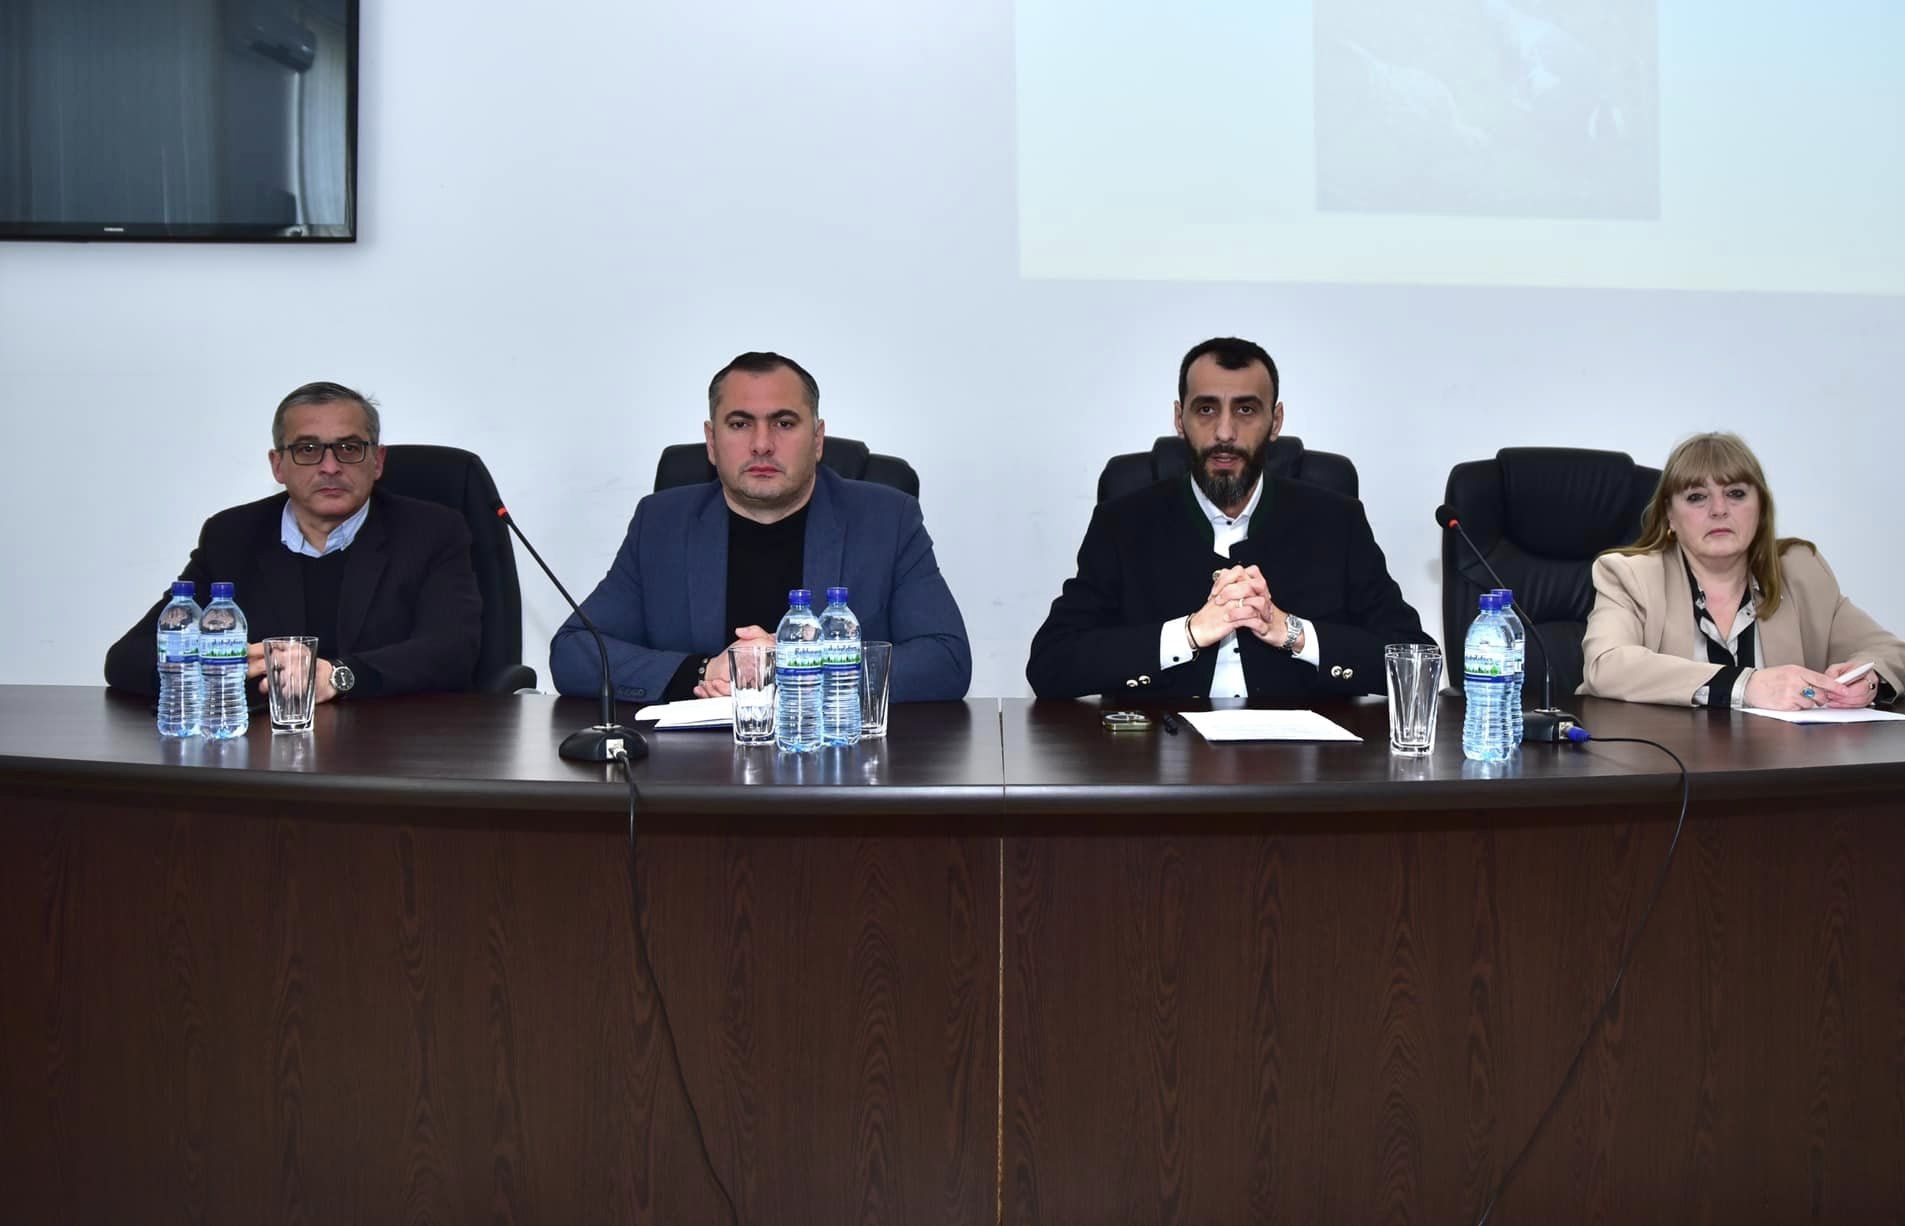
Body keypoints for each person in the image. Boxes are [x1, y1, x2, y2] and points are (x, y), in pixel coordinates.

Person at [549, 351, 971, 703]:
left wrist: (796, 665)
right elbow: (573, 653)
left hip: (838, 762)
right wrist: (706, 669)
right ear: (711, 442)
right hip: (692, 766)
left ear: (818, 439)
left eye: (784, 423)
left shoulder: (886, 520)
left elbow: (946, 661)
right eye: (740, 424)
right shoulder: (662, 524)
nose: (762, 444)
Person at [1027, 337, 1431, 699]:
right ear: (1179, 419)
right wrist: (1187, 634)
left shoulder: (1336, 522)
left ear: (1275, 421)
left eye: (1246, 410)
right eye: (1205, 409)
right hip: (1164, 752)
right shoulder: (1123, 523)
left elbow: (1418, 662)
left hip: (1303, 757)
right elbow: (1050, 665)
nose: (1224, 432)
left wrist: (1291, 632)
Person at [105, 382, 482, 703]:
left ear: (377, 461)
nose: (330, 467)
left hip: (392, 745)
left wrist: (338, 676)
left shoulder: (431, 532)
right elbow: (128, 657)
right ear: (278, 465)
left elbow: (451, 652)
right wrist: (217, 670)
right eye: (308, 450)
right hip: (264, 748)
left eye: (349, 448)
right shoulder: (232, 536)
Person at [1580, 431, 1905, 710]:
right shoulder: (1632, 576)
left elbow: (1895, 654)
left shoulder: (1800, 571)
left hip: (1781, 764)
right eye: (1697, 497)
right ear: (1669, 515)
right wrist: (1746, 685)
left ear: (1761, 508)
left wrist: (1866, 680)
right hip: (1667, 764)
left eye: (1736, 494)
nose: (1719, 509)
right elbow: (1605, 666)